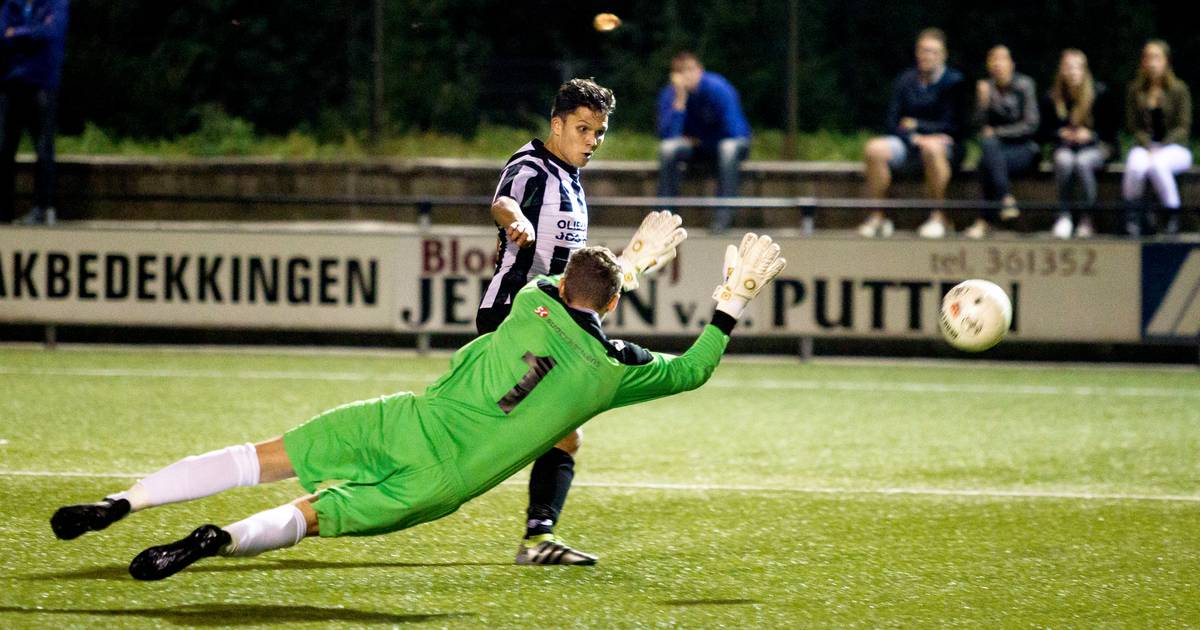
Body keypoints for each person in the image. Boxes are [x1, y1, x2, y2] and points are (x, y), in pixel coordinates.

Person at [48, 235, 787, 582]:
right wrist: (729, 303)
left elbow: (578, 284)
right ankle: (218, 542)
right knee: (309, 515)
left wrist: (628, 260)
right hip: (444, 482)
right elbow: (690, 371)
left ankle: (124, 500)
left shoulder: (532, 300)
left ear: (562, 286)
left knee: (261, 457)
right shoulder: (610, 373)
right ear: (617, 303)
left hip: (404, 419)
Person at [480, 78, 679, 566]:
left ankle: (537, 538)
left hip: (551, 324)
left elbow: (570, 270)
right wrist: (514, 222)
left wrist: (627, 267)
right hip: (514, 319)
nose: (592, 141)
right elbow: (503, 200)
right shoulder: (531, 165)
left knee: (555, 431)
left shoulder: (572, 180)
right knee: (530, 429)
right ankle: (535, 537)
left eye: (600, 132)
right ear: (557, 125)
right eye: (584, 129)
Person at [859, 28, 966, 238]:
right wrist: (914, 137)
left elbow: (955, 125)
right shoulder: (905, 81)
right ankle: (878, 216)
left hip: (945, 147)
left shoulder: (955, 82)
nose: (927, 56)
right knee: (875, 149)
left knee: (933, 150)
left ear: (943, 55)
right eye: (923, 50)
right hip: (910, 142)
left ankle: (939, 216)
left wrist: (918, 126)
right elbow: (892, 122)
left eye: (932, 51)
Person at [656, 51, 751, 233]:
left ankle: (723, 216)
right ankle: (664, 218)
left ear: (700, 70)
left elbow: (733, 132)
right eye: (681, 71)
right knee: (668, 149)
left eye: (691, 69)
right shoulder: (671, 94)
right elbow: (667, 136)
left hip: (725, 145)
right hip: (696, 147)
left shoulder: (718, 88)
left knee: (728, 149)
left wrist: (702, 139)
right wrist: (680, 102)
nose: (687, 75)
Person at [0, 0, 67, 225]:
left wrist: (16, 33)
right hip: (12, 84)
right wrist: (31, 33)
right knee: (4, 148)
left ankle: (43, 208)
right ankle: (4, 211)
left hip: (42, 84)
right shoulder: (12, 4)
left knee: (43, 148)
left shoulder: (56, 3)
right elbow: (2, 34)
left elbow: (51, 33)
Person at [965, 45, 1040, 239]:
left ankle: (985, 220)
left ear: (1011, 64)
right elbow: (976, 127)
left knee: (987, 156)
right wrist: (982, 103)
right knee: (987, 154)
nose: (998, 64)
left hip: (1024, 149)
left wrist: (998, 132)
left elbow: (1030, 125)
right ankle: (1005, 198)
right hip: (997, 152)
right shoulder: (986, 88)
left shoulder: (1025, 85)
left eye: (1002, 59)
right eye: (993, 60)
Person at [1042, 49, 1117, 239]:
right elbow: (1043, 131)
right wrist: (1061, 133)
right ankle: (1064, 215)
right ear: (1061, 71)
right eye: (1068, 67)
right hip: (1066, 147)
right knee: (1064, 161)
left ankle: (1087, 216)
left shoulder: (1100, 93)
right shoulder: (1052, 97)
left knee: (1083, 162)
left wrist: (1090, 135)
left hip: (1097, 147)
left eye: (1077, 67)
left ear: (1084, 70)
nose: (1073, 72)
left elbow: (1110, 131)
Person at [1121, 39, 1192, 236]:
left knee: (1158, 165)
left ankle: (1172, 214)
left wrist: (1162, 146)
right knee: (1136, 166)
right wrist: (1148, 145)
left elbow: (1183, 127)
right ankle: (1132, 216)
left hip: (1174, 147)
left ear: (1166, 61)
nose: (1151, 62)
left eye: (1156, 57)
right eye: (1147, 57)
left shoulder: (1179, 89)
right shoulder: (1135, 90)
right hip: (1146, 146)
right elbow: (1133, 126)